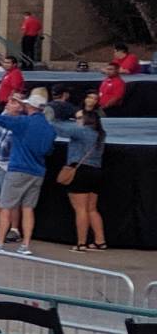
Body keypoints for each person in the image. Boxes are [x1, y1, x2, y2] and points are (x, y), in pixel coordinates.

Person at [0, 87, 58, 256]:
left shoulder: (23, 122)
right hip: (37, 171)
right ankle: (25, 245)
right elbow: (48, 150)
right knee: (28, 209)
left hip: (18, 169)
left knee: (5, 207)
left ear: (31, 107)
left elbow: (0, 120)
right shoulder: (49, 128)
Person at [60, 104, 107, 252]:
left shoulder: (81, 132)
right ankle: (100, 241)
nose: (76, 120)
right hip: (96, 172)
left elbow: (60, 129)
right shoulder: (99, 134)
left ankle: (81, 243)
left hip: (81, 172)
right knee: (92, 209)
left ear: (86, 120)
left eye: (79, 118)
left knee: (80, 209)